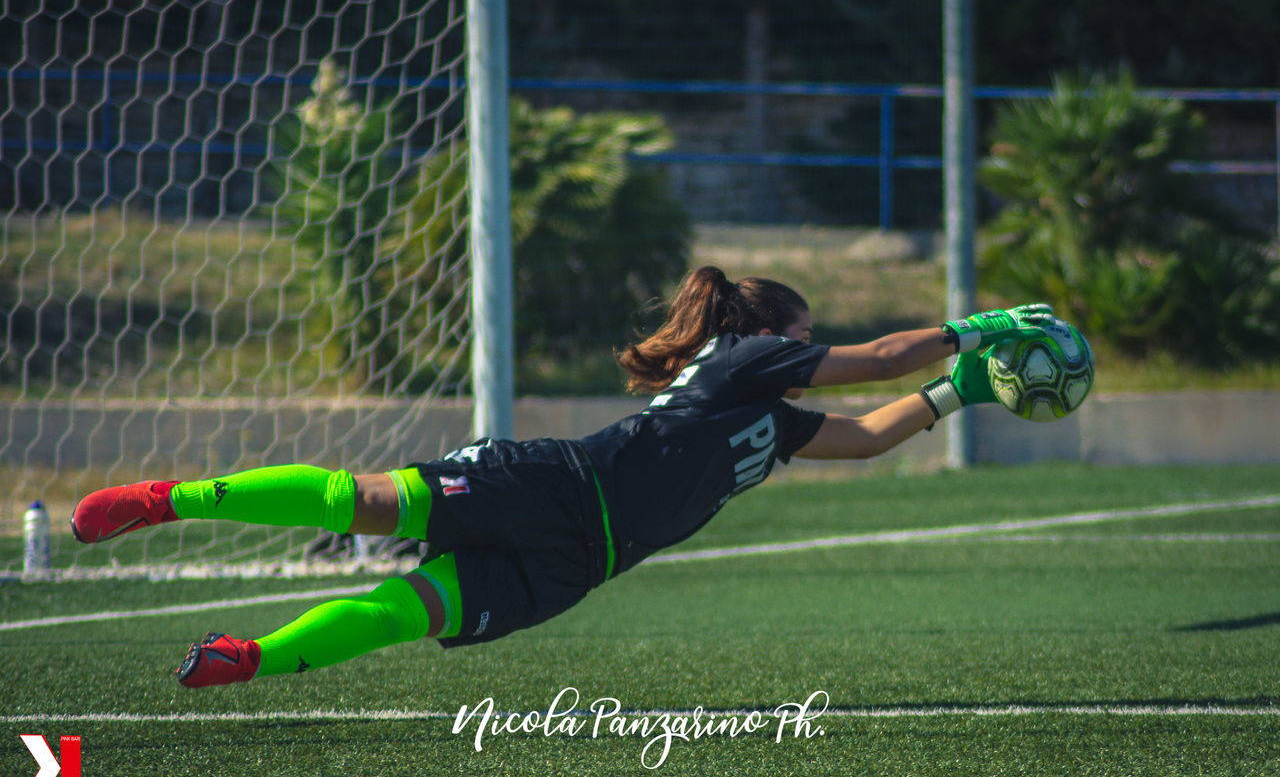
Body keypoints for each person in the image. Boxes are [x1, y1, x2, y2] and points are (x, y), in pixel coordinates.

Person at [70, 266, 1053, 688]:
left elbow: (871, 434)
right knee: (363, 501)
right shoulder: (742, 363)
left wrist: (959, 391)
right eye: (803, 335)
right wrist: (981, 326)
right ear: (768, 335)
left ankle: (246, 657)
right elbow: (881, 356)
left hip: (577, 566)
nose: (811, 347)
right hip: (551, 487)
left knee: (399, 612)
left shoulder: (776, 423)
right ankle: (164, 501)